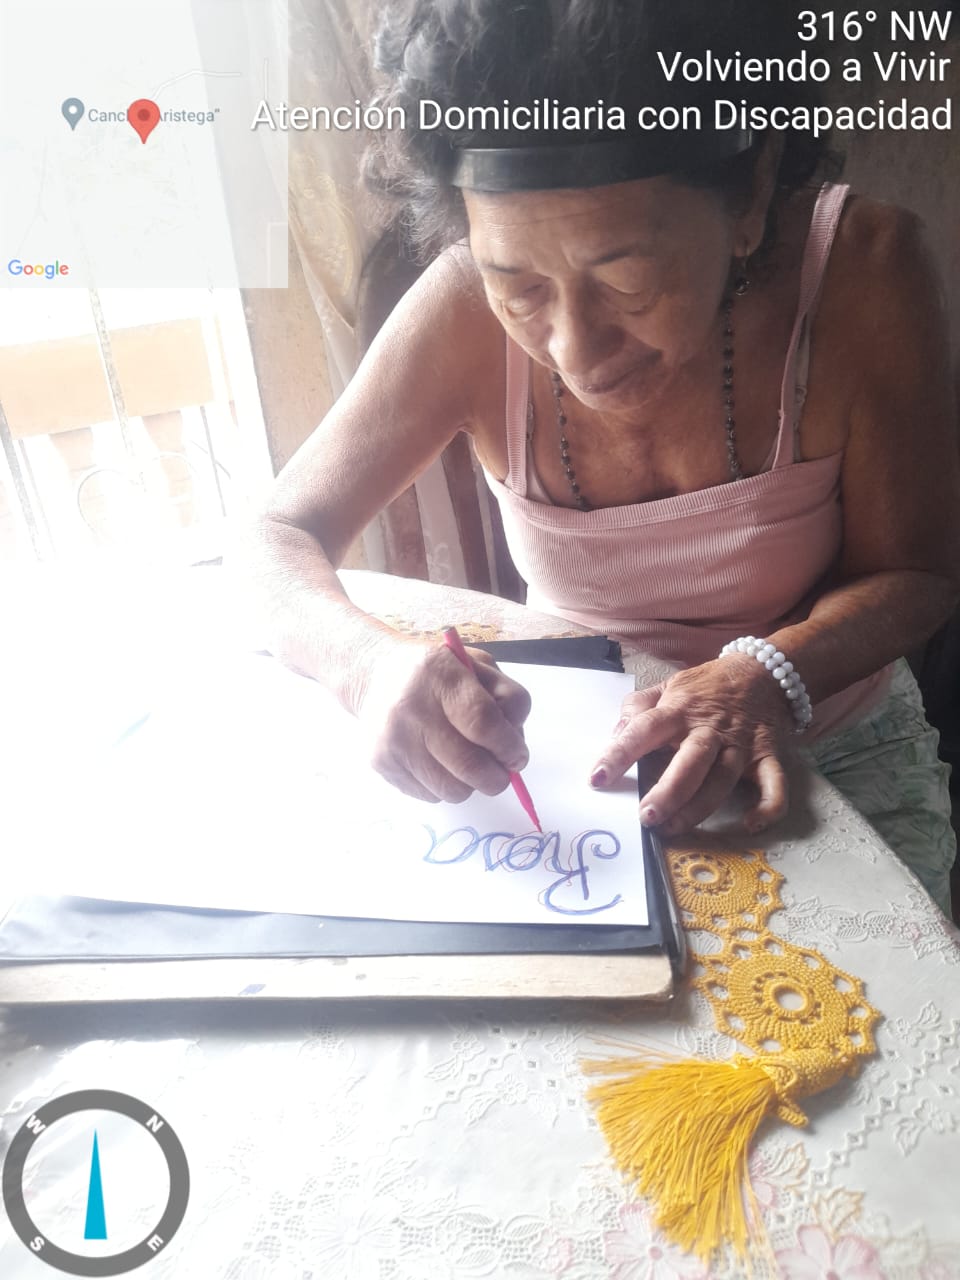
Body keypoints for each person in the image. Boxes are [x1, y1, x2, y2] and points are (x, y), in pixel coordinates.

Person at [245, 0, 960, 914]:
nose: (574, 351)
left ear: (749, 196)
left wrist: (763, 675)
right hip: (578, 768)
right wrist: (367, 663)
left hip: (828, 742)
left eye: (628, 281)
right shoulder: (460, 305)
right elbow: (273, 536)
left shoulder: (863, 272)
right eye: (519, 289)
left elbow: (915, 575)